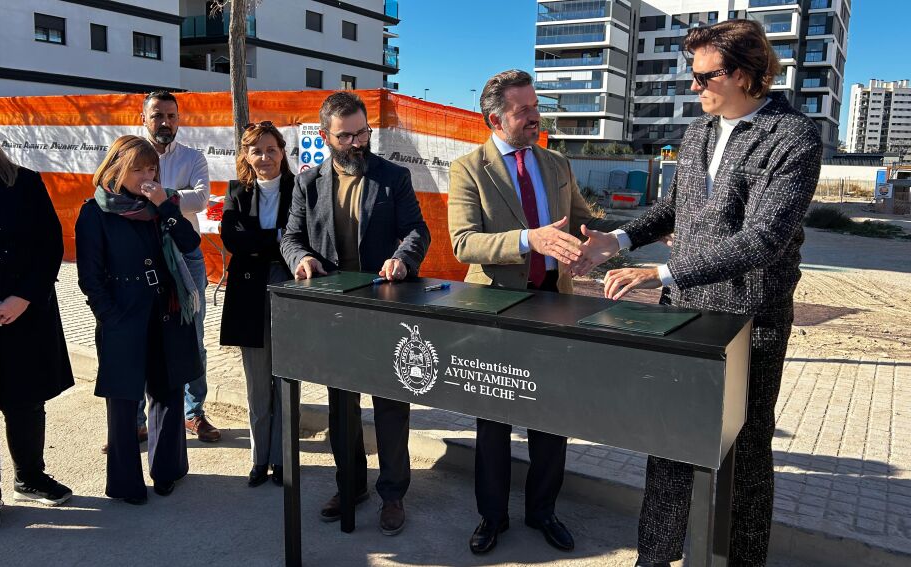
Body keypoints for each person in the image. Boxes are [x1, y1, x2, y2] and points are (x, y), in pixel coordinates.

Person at [572, 20, 822, 566]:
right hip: (683, 312)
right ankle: (654, 558)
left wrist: (660, 274)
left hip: (748, 319)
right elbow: (675, 208)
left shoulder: (793, 137)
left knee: (744, 453)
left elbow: (763, 239)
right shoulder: (700, 131)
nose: (694, 86)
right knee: (667, 441)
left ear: (745, 74)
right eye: (694, 75)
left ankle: (742, 560)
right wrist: (617, 240)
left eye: (705, 76)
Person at [446, 69, 626, 555]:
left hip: (555, 303)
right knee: (493, 420)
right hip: (496, 309)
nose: (535, 117)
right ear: (495, 119)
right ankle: (492, 516)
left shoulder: (556, 162)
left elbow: (586, 222)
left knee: (551, 414)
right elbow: (464, 243)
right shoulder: (468, 169)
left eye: (536, 106)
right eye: (523, 110)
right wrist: (530, 239)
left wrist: (631, 236)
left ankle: (543, 510)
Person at [280, 91, 430, 536]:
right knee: (341, 407)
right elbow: (290, 237)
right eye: (345, 136)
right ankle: (350, 485)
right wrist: (301, 259)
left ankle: (393, 493)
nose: (357, 142)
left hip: (384, 310)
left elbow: (416, 230)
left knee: (390, 406)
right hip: (335, 315)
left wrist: (403, 258)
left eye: (362, 132)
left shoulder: (393, 177)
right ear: (325, 136)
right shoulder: (308, 183)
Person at [76, 135, 203, 505]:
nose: (147, 177)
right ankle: (124, 483)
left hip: (166, 309)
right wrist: (109, 316)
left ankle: (167, 470)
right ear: (117, 168)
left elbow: (190, 244)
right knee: (123, 400)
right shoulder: (94, 212)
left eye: (152, 169)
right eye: (138, 169)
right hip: (123, 314)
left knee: (168, 391)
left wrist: (165, 205)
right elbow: (90, 277)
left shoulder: (161, 205)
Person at [0, 105, 74, 531]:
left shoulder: (25, 183)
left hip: (23, 316)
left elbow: (49, 246)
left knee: (25, 401)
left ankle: (29, 476)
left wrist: (24, 297)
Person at [140, 90, 220, 443]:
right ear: (144, 118)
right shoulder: (130, 153)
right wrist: (175, 195)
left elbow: (201, 199)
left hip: (186, 256)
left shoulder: (192, 157)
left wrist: (157, 194)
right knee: (140, 336)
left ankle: (194, 412)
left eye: (171, 116)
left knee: (193, 335)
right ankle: (137, 419)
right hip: (142, 255)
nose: (165, 122)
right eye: (158, 115)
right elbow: (119, 194)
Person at [219, 122, 295, 487]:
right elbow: (232, 239)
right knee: (257, 382)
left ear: (282, 152)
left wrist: (257, 241)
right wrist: (276, 238)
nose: (264, 157)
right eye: (256, 151)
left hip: (288, 288)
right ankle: (258, 459)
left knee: (285, 378)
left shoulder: (300, 189)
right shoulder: (235, 191)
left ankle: (281, 459)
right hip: (248, 293)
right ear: (246, 156)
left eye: (271, 149)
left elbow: (300, 238)